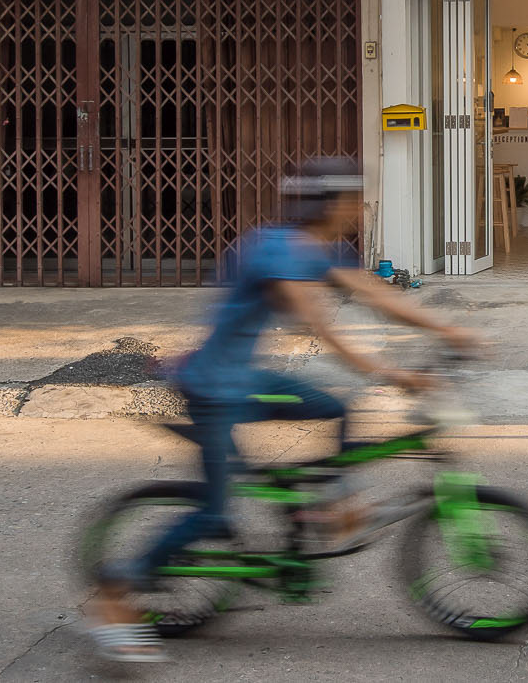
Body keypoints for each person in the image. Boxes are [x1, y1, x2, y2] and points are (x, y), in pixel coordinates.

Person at [84, 157, 479, 670]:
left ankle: (325, 508)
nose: (360, 207)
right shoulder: (276, 249)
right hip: (213, 390)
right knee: (216, 512)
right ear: (330, 203)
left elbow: (376, 295)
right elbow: (322, 328)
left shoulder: (316, 248)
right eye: (354, 199)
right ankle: (114, 596)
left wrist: (448, 331)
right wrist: (394, 374)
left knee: (333, 407)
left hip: (245, 380)